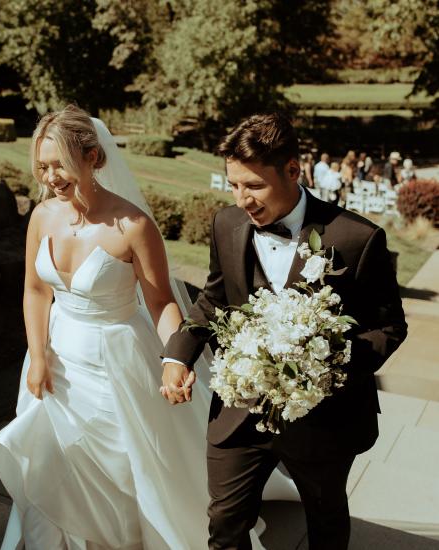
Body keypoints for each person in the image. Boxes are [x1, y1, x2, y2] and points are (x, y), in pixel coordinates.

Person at [0, 105, 297, 549]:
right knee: (55, 459)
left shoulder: (134, 226)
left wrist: (176, 358)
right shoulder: (42, 216)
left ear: (93, 157)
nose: (51, 177)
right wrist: (37, 357)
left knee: (121, 463)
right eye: (44, 166)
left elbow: (161, 302)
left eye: (61, 164)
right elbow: (35, 292)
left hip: (116, 360)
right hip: (55, 358)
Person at [161, 113, 407, 550]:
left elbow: (388, 326)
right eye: (233, 185)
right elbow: (215, 298)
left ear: (293, 170)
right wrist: (177, 353)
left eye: (253, 186)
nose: (242, 199)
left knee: (325, 519)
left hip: (322, 417)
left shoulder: (356, 238)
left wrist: (324, 368)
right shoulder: (226, 224)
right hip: (239, 410)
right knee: (225, 521)